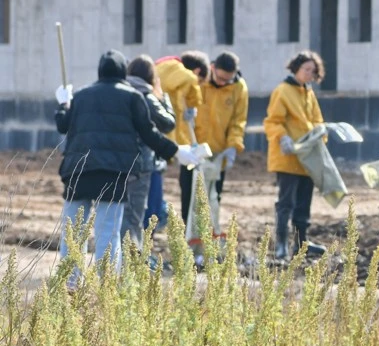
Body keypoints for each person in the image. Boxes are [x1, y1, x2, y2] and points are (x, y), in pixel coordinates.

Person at [54, 50, 190, 278]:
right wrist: (175, 151)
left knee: (73, 231)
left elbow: (63, 125)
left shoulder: (81, 96)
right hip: (113, 173)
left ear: (100, 71)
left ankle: (69, 281)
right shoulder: (132, 97)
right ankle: (106, 284)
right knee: (108, 231)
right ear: (122, 73)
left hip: (78, 171)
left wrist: (63, 104)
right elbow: (149, 134)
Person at [263, 50, 328, 261]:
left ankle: (301, 244)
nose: (310, 74)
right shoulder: (282, 91)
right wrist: (283, 138)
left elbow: (317, 120)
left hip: (307, 158)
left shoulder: (309, 93)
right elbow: (273, 121)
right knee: (286, 203)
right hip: (288, 158)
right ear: (296, 68)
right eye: (306, 69)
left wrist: (320, 136)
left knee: (303, 203)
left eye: (313, 71)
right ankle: (281, 244)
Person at [121, 55, 177, 248]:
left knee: (122, 212)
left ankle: (124, 255)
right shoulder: (146, 95)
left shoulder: (122, 92)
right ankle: (135, 255)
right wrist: (163, 96)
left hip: (120, 161)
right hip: (144, 162)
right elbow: (168, 123)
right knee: (139, 213)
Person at [192, 51, 248, 228]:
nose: (224, 82)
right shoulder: (199, 81)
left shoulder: (239, 87)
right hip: (194, 150)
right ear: (212, 68)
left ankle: (209, 234)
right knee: (190, 196)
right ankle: (189, 236)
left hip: (219, 152)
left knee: (214, 195)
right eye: (220, 78)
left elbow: (238, 121)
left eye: (227, 79)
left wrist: (233, 145)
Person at [154, 50, 210, 225]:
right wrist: (193, 103)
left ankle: (158, 211)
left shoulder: (164, 71)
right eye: (200, 82)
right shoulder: (185, 76)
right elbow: (191, 90)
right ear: (197, 71)